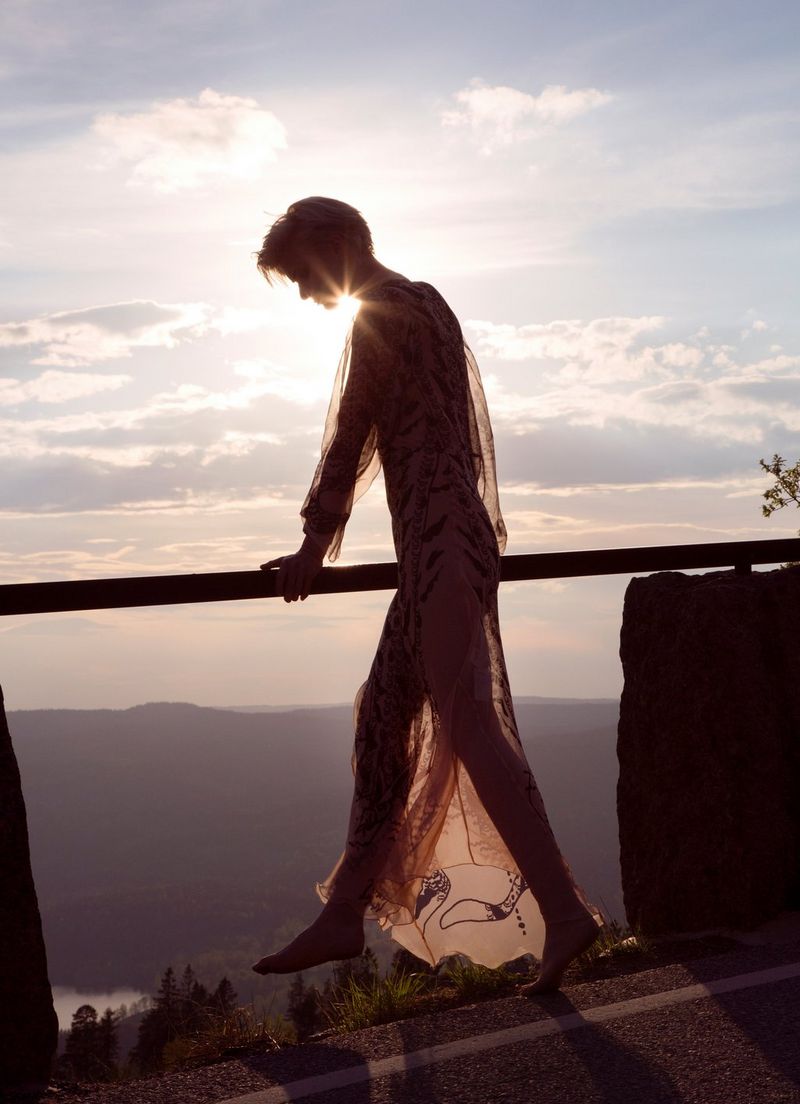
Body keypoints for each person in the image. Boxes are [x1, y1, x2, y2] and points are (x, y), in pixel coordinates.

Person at [251, 197, 604, 993]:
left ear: (340, 245)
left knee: (469, 726)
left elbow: (352, 430)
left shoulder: (386, 311)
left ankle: (565, 910)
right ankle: (344, 913)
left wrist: (315, 541)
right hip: (440, 548)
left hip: (443, 545)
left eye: (307, 274)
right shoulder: (428, 302)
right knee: (384, 715)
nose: (308, 294)